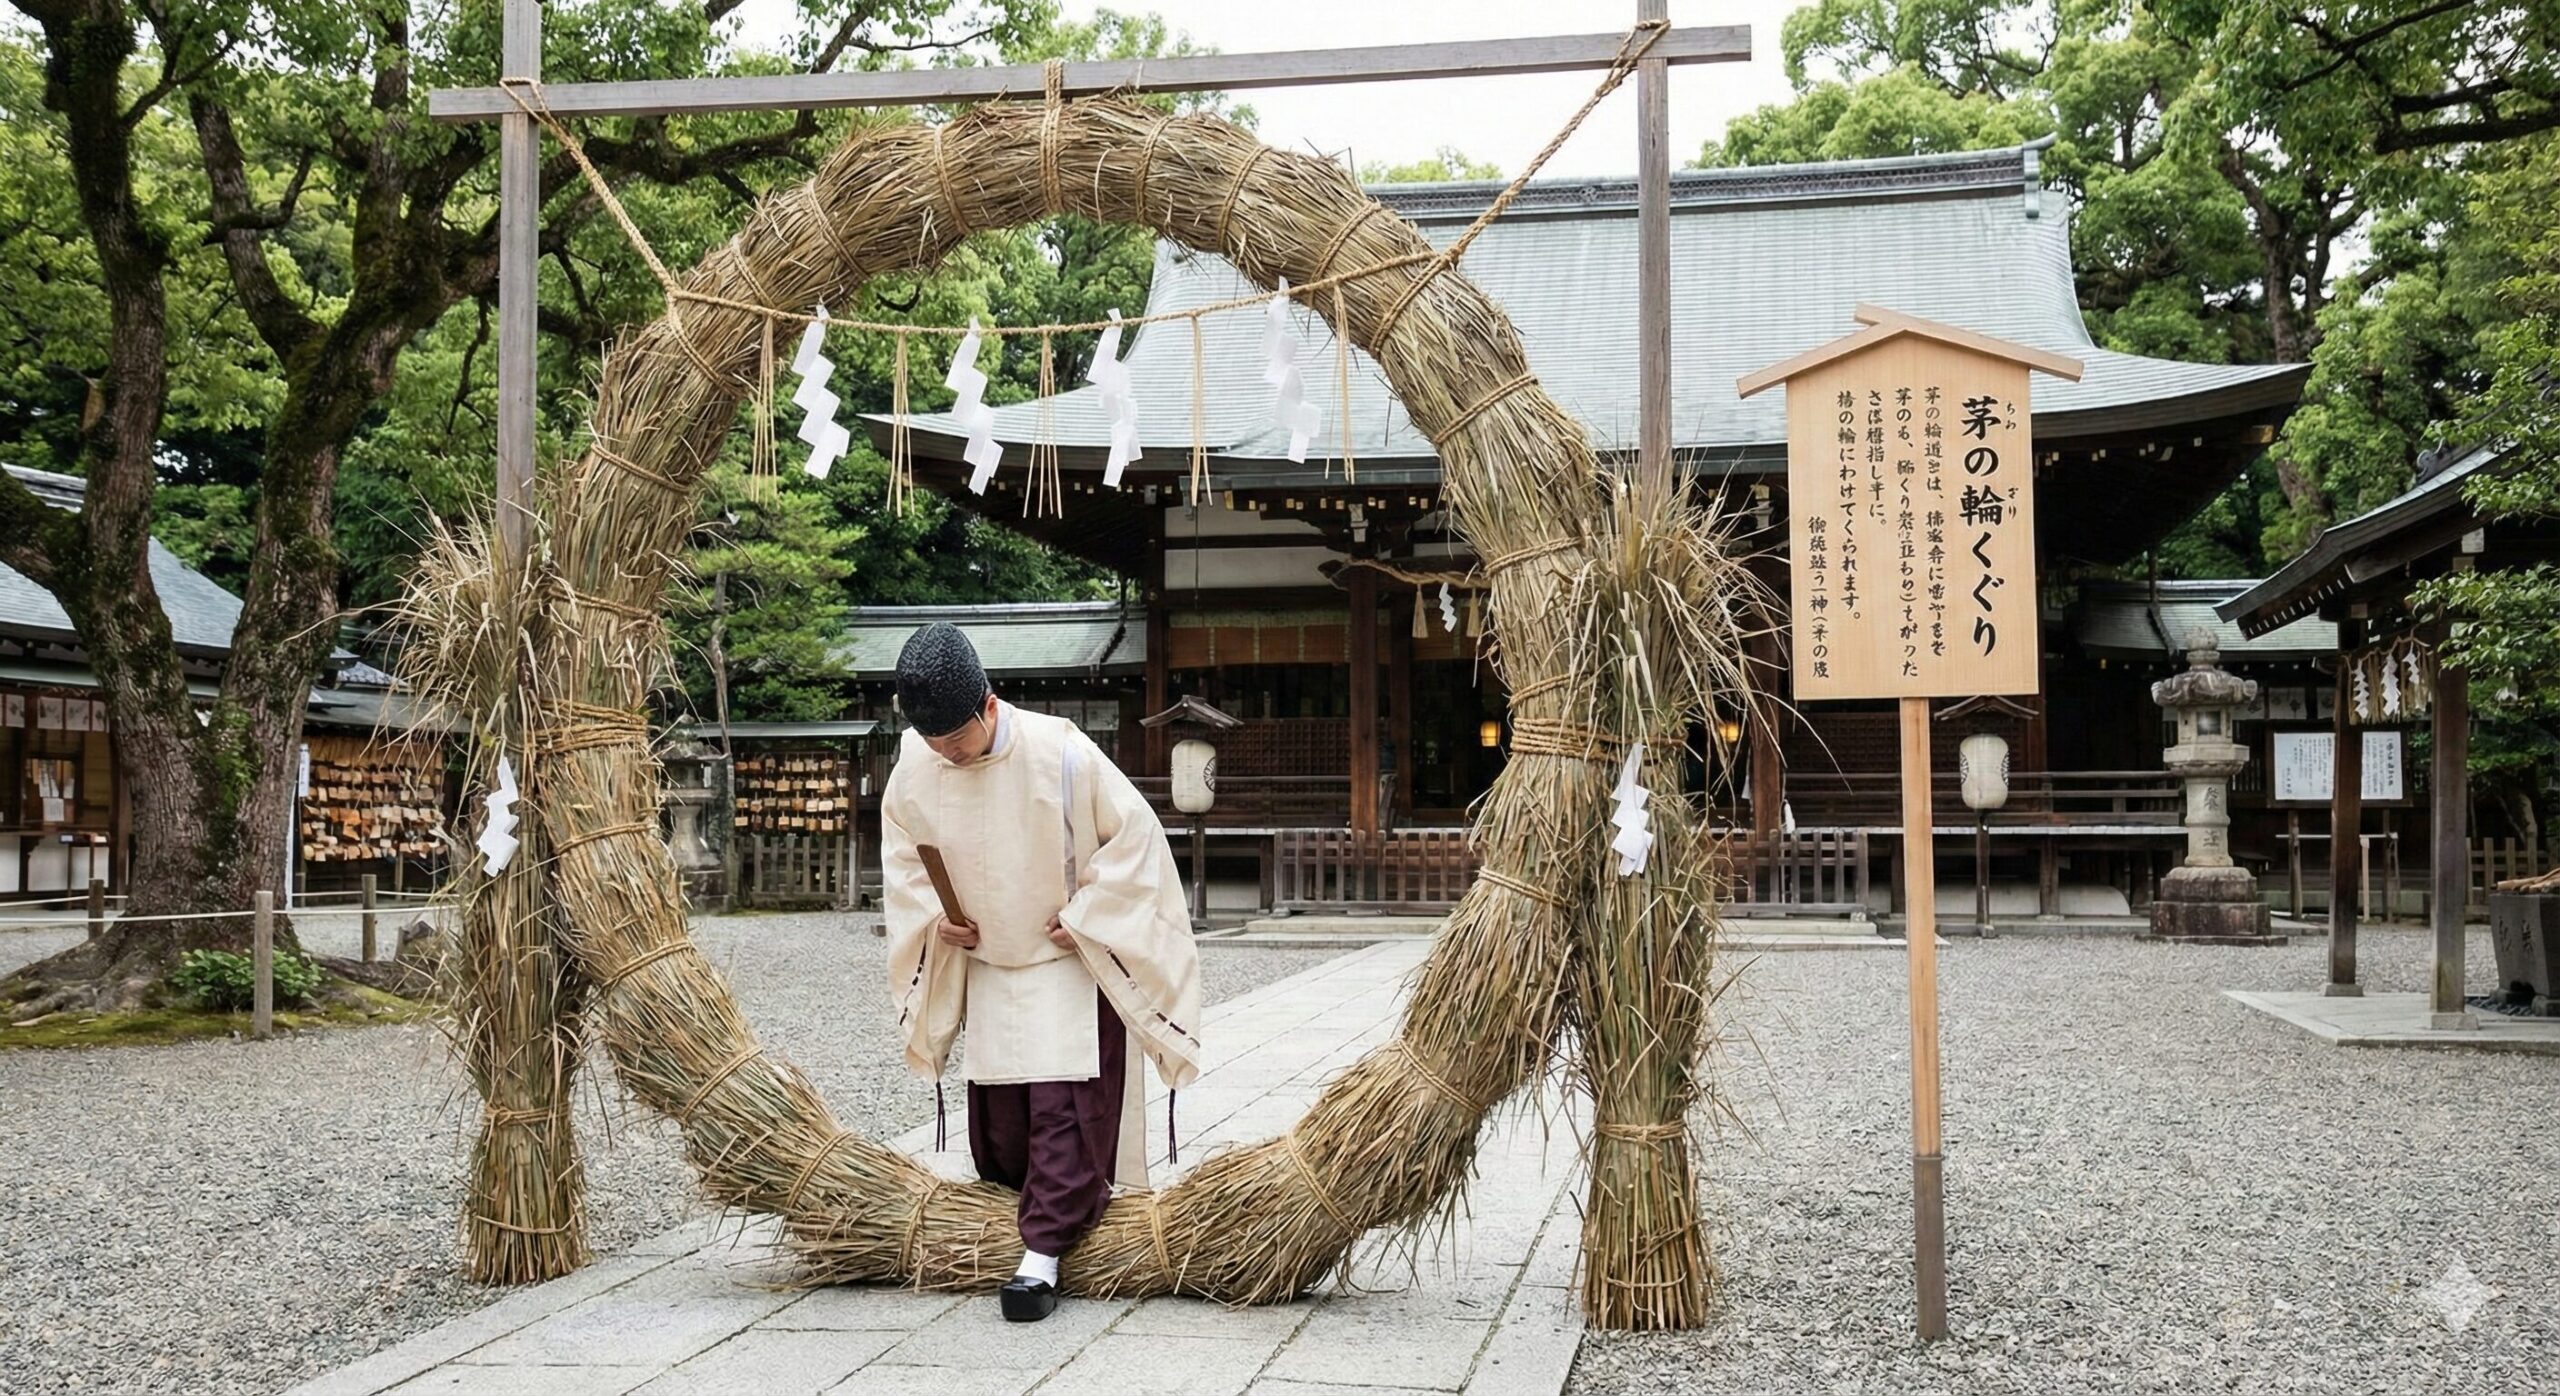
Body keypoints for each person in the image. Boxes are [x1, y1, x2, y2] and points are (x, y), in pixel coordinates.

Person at [880, 622, 1203, 1322]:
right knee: (1003, 1122)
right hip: (989, 961)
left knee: (1063, 1108)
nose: (946, 754)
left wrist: (1089, 913)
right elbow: (905, 860)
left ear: (989, 706)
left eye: (955, 739)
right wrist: (938, 920)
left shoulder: (1062, 753)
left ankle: (1042, 1256)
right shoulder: (916, 766)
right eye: (932, 741)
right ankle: (1021, 1223)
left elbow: (1136, 841)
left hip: (1064, 960)